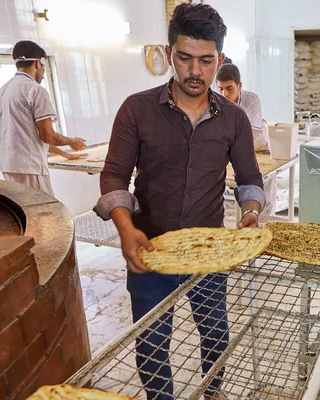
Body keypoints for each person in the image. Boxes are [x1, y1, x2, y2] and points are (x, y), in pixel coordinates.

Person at [94, 4, 264, 400]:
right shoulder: (137, 110)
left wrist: (251, 213)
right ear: (170, 54)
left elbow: (250, 179)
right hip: (150, 247)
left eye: (206, 61)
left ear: (219, 61)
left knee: (215, 330)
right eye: (184, 58)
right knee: (152, 341)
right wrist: (125, 228)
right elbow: (114, 176)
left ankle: (213, 390)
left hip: (209, 251)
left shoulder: (234, 119)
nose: (194, 71)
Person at [0, 40, 87, 196]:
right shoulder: (35, 90)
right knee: (46, 215)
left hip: (9, 166)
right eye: (44, 66)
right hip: (30, 168)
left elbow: (28, 136)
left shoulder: (3, 91)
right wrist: (71, 142)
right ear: (38, 63)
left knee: (25, 214)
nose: (44, 71)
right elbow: (47, 135)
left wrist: (64, 154)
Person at [217, 64, 276, 215]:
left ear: (239, 86)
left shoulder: (251, 99)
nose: (224, 94)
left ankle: (265, 221)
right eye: (220, 89)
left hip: (260, 147)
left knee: (265, 186)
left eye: (229, 88)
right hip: (234, 148)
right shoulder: (215, 102)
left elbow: (251, 133)